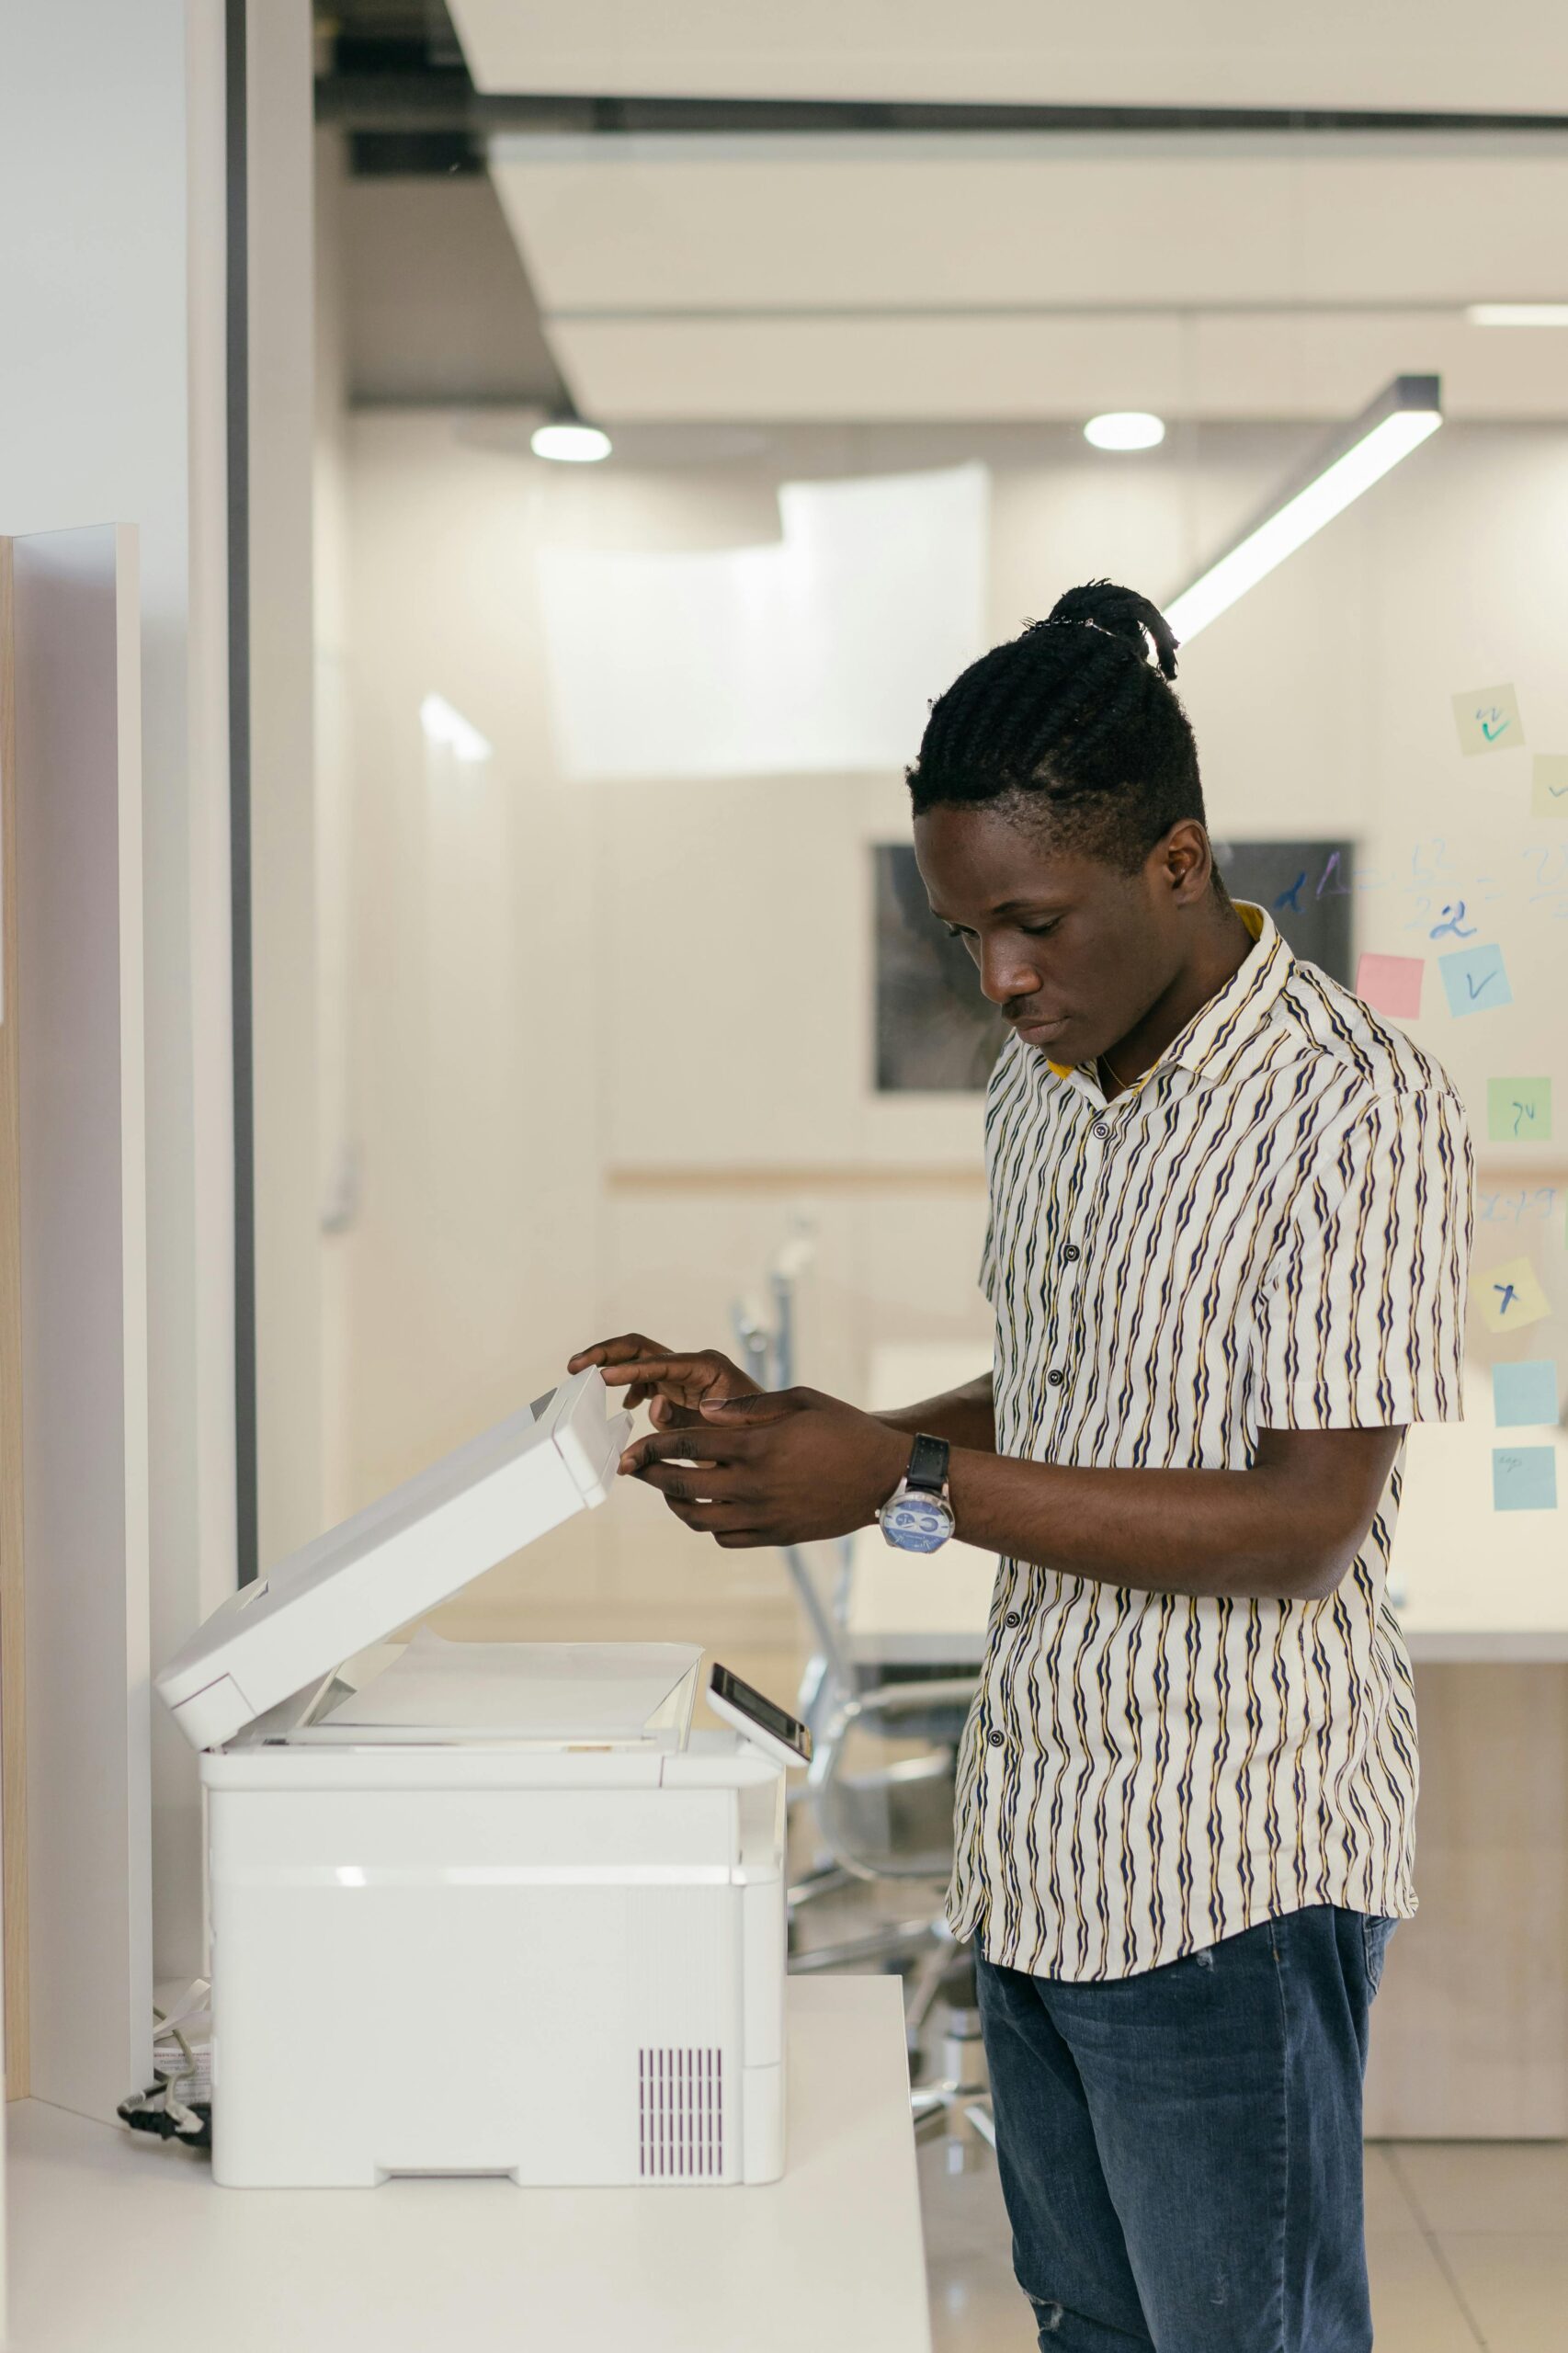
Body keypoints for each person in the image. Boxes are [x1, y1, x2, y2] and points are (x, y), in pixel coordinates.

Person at [570, 580, 1471, 2353]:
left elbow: (1299, 1523)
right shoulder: (1042, 1087)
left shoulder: (1354, 1109)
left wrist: (895, 1482)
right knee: (1090, 2329)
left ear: (1178, 862)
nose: (1000, 978)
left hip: (1233, 1865)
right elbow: (1073, 1391)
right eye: (962, 933)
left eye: (1033, 923)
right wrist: (806, 1430)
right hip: (1043, 1831)